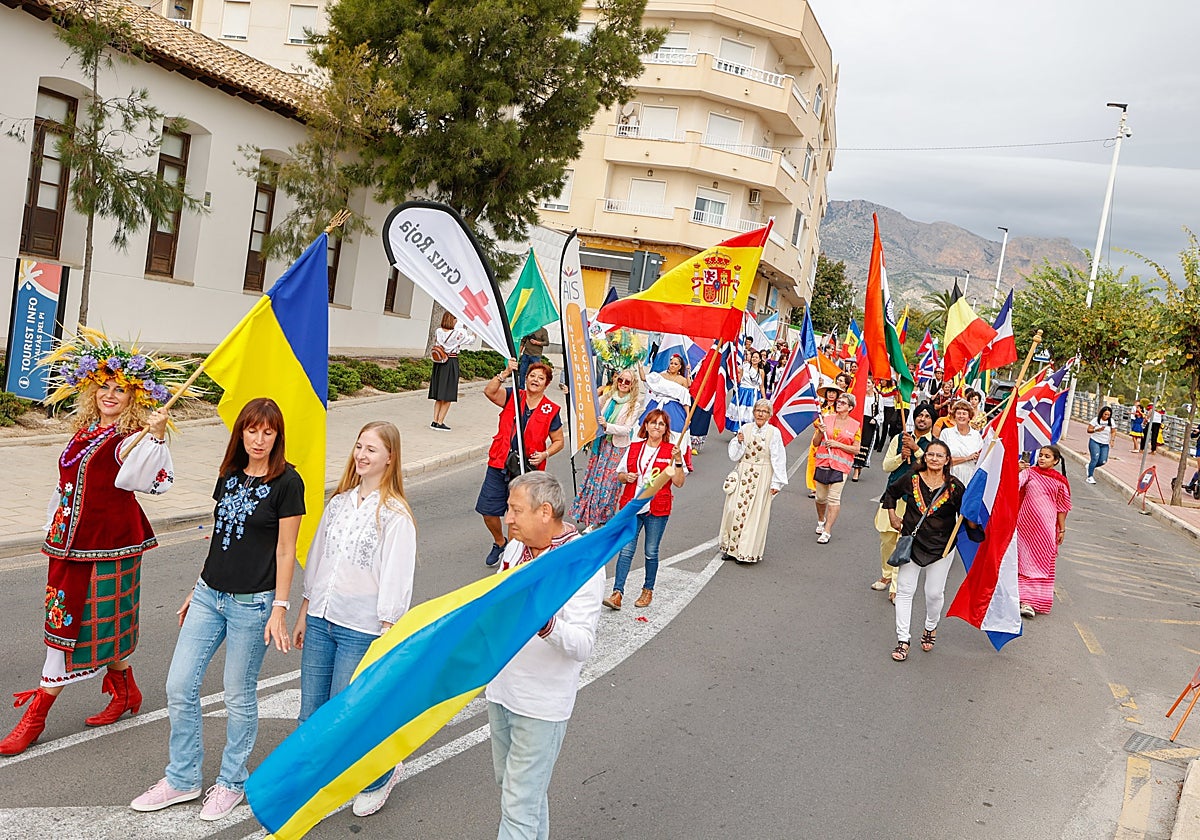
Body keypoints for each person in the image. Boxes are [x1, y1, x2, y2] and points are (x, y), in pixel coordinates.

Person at [1, 341, 177, 757]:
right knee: (92, 624)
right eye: (103, 387)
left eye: (120, 389)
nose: (109, 395)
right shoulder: (86, 431)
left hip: (107, 546)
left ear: (134, 397)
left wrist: (155, 438)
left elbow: (147, 481)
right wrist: (54, 520)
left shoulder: (131, 439)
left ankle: (37, 715)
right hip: (69, 542)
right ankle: (126, 690)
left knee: (72, 629)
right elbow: (67, 484)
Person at [132, 397, 304, 820]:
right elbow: (219, 537)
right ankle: (182, 778)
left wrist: (280, 607)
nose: (259, 439)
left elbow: (286, 550)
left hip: (253, 604)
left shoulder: (288, 482)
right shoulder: (229, 474)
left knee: (238, 696)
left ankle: (231, 783)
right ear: (240, 432)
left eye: (268, 432)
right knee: (179, 686)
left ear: (278, 435)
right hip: (210, 596)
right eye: (252, 430)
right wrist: (198, 586)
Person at [292, 421, 416, 817]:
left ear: (390, 458)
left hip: (362, 628)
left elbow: (396, 577)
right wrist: (304, 611)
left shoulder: (395, 515)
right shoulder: (339, 503)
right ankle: (311, 781)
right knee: (311, 711)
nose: (361, 455)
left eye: (371, 449)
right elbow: (317, 560)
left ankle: (380, 775)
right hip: (321, 619)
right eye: (359, 446)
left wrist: (387, 631)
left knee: (350, 713)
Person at [486, 472, 603, 840]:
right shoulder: (516, 548)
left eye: (516, 510)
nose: (508, 518)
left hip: (541, 705)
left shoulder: (581, 563)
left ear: (545, 512)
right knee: (519, 793)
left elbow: (582, 644)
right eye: (509, 509)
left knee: (518, 806)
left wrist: (544, 622)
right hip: (501, 691)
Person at [882, 439, 973, 662]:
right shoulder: (912, 478)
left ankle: (930, 627)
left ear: (947, 460)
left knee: (934, 593)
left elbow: (967, 515)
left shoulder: (954, 487)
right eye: (930, 454)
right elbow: (891, 492)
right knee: (905, 590)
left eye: (939, 456)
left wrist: (974, 517)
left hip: (941, 548)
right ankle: (903, 640)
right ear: (925, 457)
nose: (934, 459)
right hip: (911, 544)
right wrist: (893, 516)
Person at [477, 360, 564, 568]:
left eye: (541, 378)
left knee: (516, 514)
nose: (535, 380)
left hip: (527, 471)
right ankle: (500, 542)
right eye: (532, 376)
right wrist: (506, 372)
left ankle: (512, 556)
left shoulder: (551, 409)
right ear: (525, 378)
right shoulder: (513, 396)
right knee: (487, 511)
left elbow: (559, 441)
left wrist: (545, 454)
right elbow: (489, 392)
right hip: (500, 462)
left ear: (546, 384)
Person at [604, 410, 689, 609]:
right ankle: (617, 593)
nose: (656, 427)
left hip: (657, 508)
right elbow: (620, 475)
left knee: (651, 551)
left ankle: (647, 590)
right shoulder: (634, 447)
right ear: (646, 426)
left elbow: (679, 482)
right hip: (633, 506)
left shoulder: (672, 451)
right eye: (653, 423)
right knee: (626, 550)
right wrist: (627, 477)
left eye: (661, 424)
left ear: (666, 429)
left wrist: (678, 460)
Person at [871, 402, 935, 598]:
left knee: (904, 541)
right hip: (893, 495)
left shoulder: (934, 445)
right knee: (887, 538)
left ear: (932, 421)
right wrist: (901, 456)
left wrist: (916, 450)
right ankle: (886, 575)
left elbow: (932, 467)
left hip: (915, 500)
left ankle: (896, 587)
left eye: (927, 416)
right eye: (920, 415)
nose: (923, 419)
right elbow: (886, 466)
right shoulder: (900, 438)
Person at [569, 369, 644, 530]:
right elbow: (591, 406)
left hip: (617, 448)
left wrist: (607, 426)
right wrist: (573, 392)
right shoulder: (609, 396)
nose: (623, 384)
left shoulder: (634, 405)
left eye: (627, 382)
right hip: (602, 444)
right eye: (620, 380)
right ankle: (591, 518)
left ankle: (602, 518)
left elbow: (626, 429)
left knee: (608, 484)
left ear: (632, 385)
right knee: (594, 481)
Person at [718, 399, 788, 565]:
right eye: (758, 410)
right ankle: (730, 547)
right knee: (733, 509)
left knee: (753, 515)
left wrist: (777, 482)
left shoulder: (774, 433)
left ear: (769, 415)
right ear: (753, 412)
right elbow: (734, 455)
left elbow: (778, 458)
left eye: (764, 411)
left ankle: (744, 551)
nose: (760, 414)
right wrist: (738, 441)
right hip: (743, 472)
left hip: (762, 475)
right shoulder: (745, 428)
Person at [1016, 445, 1072, 618]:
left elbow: (1062, 507)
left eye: (1047, 456)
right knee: (1022, 561)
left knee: (1039, 563)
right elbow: (1013, 485)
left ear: (1055, 461)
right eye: (1041, 455)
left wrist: (1061, 529)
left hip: (1046, 529)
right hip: (1024, 527)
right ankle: (1019, 598)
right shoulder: (1029, 473)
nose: (1042, 458)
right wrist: (1016, 470)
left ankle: (1031, 602)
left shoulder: (1060, 481)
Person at [812, 392, 861, 545]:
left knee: (834, 497)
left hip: (841, 466)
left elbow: (856, 449)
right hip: (823, 462)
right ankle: (821, 520)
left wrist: (838, 445)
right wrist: (819, 431)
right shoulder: (826, 419)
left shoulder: (855, 426)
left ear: (850, 407)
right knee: (820, 497)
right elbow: (815, 442)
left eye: (843, 403)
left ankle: (827, 530)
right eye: (839, 401)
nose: (839, 404)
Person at [429, 311, 475, 431]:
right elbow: (470, 340)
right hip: (451, 362)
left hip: (439, 362)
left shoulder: (438, 331)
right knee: (448, 394)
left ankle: (434, 420)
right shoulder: (457, 333)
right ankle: (440, 422)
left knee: (439, 395)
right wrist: (475, 332)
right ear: (452, 320)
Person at [640, 354, 692, 448]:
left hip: (674, 409)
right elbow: (644, 378)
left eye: (675, 364)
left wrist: (688, 416)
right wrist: (640, 366)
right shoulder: (661, 376)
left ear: (680, 367)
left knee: (672, 431)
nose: (672, 365)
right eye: (671, 363)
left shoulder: (682, 380)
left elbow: (685, 399)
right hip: (656, 404)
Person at [938, 399, 984, 485]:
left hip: (970, 479)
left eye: (964, 414)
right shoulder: (946, 433)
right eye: (958, 413)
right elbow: (942, 459)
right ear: (954, 416)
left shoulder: (976, 435)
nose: (961, 416)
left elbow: (981, 460)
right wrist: (967, 458)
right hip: (951, 478)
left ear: (969, 417)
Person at [727, 349, 766, 432]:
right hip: (743, 392)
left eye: (756, 357)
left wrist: (764, 398)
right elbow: (739, 379)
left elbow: (762, 386)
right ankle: (739, 430)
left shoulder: (761, 371)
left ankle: (749, 431)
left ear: (760, 360)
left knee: (751, 413)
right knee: (741, 412)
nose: (754, 359)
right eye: (753, 357)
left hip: (754, 394)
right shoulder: (745, 367)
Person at [852, 379, 882, 482]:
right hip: (859, 422)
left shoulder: (878, 397)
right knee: (856, 443)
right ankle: (856, 469)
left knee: (865, 445)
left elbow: (881, 413)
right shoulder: (860, 396)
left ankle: (858, 467)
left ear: (873, 384)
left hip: (869, 423)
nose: (866, 385)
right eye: (865, 382)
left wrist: (875, 419)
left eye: (868, 383)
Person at [1085, 405, 1114, 484]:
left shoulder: (1111, 421)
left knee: (1103, 461)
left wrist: (1112, 440)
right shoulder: (1096, 420)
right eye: (1105, 414)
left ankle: (1089, 466)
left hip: (1105, 444)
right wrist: (1096, 430)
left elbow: (1113, 431)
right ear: (1102, 413)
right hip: (1095, 441)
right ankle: (1090, 477)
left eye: (1108, 415)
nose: (1106, 416)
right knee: (1095, 459)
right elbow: (1088, 430)